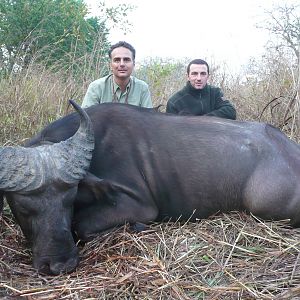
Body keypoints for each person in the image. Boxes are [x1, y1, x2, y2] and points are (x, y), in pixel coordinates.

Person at [82, 41, 152, 108]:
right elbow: (85, 118)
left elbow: (148, 118)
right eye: (117, 60)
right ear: (110, 65)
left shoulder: (142, 88)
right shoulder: (96, 87)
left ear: (133, 64)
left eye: (126, 60)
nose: (122, 64)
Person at [166, 59, 236, 119]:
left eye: (203, 74)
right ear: (188, 76)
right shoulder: (174, 102)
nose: (199, 78)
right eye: (194, 74)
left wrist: (203, 120)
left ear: (208, 76)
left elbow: (230, 111)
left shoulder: (215, 93)